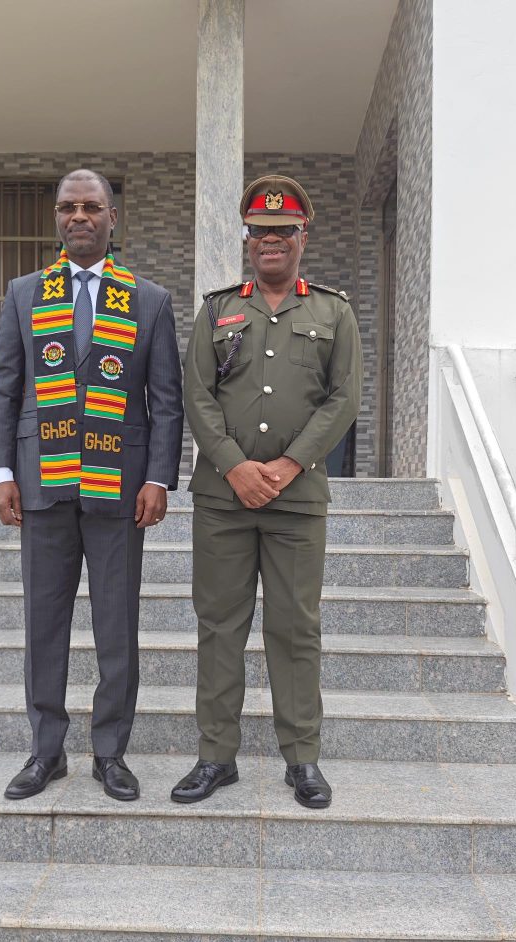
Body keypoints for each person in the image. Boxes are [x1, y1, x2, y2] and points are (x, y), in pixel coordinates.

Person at [0, 169, 183, 801]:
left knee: (116, 624)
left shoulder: (146, 299)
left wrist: (157, 477)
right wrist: (1, 472)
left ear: (112, 218)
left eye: (91, 207)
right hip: (41, 482)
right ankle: (46, 751)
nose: (79, 217)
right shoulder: (24, 293)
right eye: (68, 207)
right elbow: (5, 387)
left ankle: (109, 752)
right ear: (57, 218)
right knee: (44, 622)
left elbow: (166, 401)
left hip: (118, 487)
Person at [171, 174, 362, 809]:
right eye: (260, 232)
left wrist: (287, 466)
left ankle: (302, 758)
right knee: (219, 626)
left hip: (297, 501)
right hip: (223, 500)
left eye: (283, 232)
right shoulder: (217, 309)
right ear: (248, 240)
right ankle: (215, 757)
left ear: (303, 237)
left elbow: (344, 399)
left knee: (295, 628)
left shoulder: (334, 312)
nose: (270, 241)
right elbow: (196, 394)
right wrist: (233, 465)